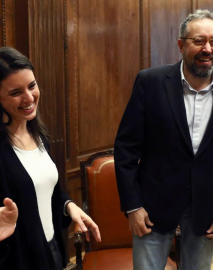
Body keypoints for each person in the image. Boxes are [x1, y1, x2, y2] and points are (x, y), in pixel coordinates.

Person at [0, 46, 101, 270]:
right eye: (15, 93)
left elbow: (46, 190)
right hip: (15, 261)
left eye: (32, 86)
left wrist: (68, 206)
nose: (29, 98)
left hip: (52, 251)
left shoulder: (38, 132)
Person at [114, 9, 213, 270]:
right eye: (199, 40)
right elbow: (125, 149)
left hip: (206, 210)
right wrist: (133, 206)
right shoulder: (150, 82)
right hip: (152, 209)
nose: (208, 48)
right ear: (181, 45)